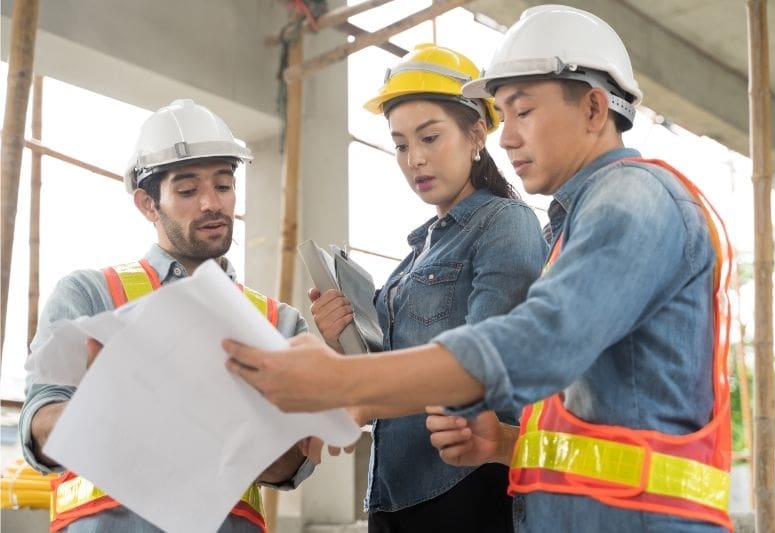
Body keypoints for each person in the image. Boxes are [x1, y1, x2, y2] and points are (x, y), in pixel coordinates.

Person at [223, 5, 733, 532]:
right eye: (504, 116)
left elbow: (535, 344)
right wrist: (504, 443)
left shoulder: (632, 198)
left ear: (593, 109)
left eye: (522, 111)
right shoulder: (571, 226)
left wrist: (345, 381)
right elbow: (584, 422)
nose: (507, 136)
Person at [19, 99, 319, 532]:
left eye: (223, 184)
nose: (211, 204)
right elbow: (39, 428)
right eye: (187, 190)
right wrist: (107, 409)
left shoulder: (279, 323)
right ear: (147, 203)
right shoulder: (89, 294)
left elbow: (291, 465)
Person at [308, 44, 546, 533]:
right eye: (400, 144)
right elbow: (389, 372)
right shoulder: (417, 253)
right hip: (394, 490)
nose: (414, 158)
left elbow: (485, 362)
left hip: (466, 486)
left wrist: (360, 398)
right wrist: (342, 342)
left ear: (476, 133)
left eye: (430, 137)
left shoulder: (507, 225)